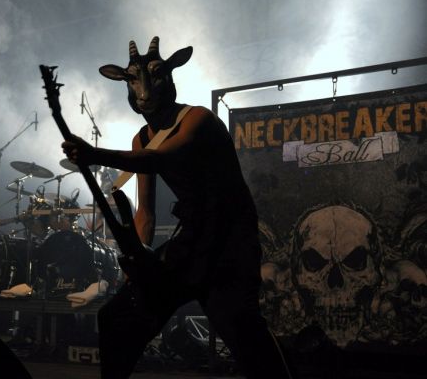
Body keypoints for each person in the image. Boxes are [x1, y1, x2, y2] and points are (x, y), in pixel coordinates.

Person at [62, 36, 294, 379]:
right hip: (191, 243)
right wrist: (137, 259)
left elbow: (158, 159)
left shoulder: (197, 119)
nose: (144, 90)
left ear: (169, 77)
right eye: (134, 80)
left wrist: (95, 155)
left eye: (155, 76)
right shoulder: (141, 138)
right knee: (118, 317)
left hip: (229, 244)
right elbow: (145, 213)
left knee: (243, 332)